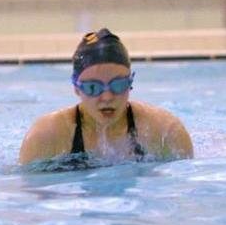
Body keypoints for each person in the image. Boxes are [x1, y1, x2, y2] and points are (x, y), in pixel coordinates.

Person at [19, 28, 193, 166]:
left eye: (118, 85)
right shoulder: (46, 137)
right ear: (77, 88)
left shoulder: (165, 132)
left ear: (130, 83)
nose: (107, 97)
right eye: (93, 87)